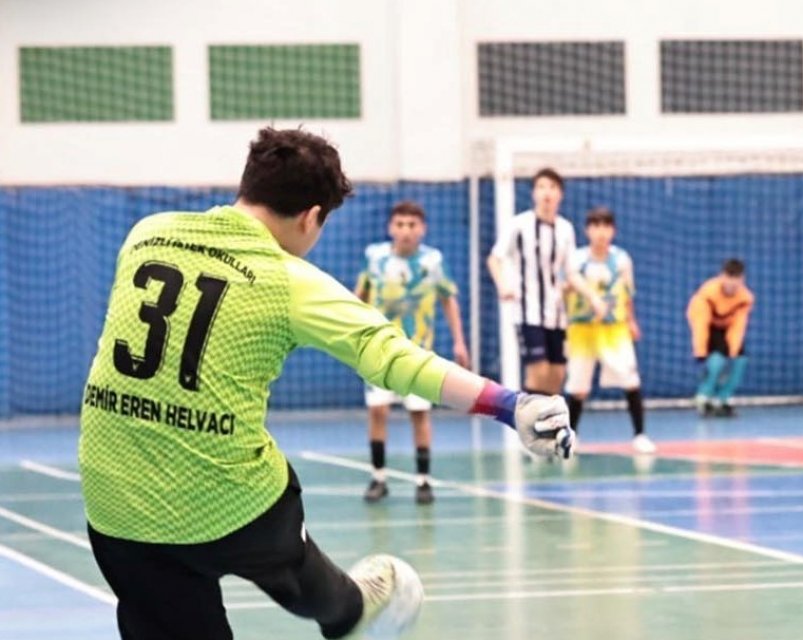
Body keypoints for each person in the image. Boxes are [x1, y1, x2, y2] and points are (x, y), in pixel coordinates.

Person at [78, 127, 572, 640]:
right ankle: (347, 609)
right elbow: (397, 359)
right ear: (312, 217)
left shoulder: (146, 233)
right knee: (277, 526)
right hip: (223, 501)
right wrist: (509, 403)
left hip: (113, 499)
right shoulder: (288, 279)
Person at [355, 200, 469, 504]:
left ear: (422, 229)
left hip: (418, 353)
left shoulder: (432, 262)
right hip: (379, 350)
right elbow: (359, 295)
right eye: (401, 224)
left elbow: (449, 300)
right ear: (391, 228)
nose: (406, 231)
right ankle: (378, 478)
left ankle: (423, 481)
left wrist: (459, 341)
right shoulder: (375, 257)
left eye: (412, 225)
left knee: (419, 414)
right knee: (378, 411)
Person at [564, 207, 654, 453]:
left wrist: (631, 321)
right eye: (596, 226)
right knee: (578, 386)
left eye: (606, 227)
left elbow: (627, 294)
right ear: (588, 230)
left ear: (612, 231)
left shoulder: (622, 260)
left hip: (614, 329)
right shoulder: (578, 259)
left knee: (630, 379)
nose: (601, 233)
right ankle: (571, 435)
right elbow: (571, 281)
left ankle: (640, 434)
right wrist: (592, 299)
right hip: (583, 329)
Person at [487, 168, 576, 396]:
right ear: (534, 193)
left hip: (556, 314)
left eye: (552, 187)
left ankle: (545, 428)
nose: (547, 192)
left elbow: (571, 273)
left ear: (560, 194)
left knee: (557, 376)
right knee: (538, 372)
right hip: (528, 312)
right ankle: (527, 429)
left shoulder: (566, 229)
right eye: (541, 187)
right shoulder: (519, 224)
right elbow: (495, 258)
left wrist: (591, 297)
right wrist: (503, 285)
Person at [687, 259, 754, 417]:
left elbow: (738, 326)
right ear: (721, 276)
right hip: (707, 324)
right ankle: (704, 397)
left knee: (740, 360)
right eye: (729, 278)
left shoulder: (746, 298)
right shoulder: (707, 294)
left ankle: (723, 399)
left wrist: (733, 352)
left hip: (727, 327)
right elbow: (700, 323)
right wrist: (700, 351)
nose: (732, 284)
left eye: (736, 279)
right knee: (716, 360)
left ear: (742, 279)